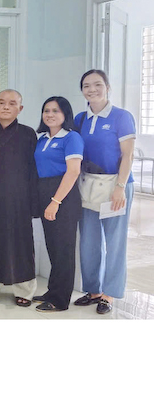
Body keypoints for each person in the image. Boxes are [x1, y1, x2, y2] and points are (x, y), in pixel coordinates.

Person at [74, 69, 136, 314]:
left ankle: (108, 294)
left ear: (107, 87)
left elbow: (128, 155)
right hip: (88, 185)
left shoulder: (121, 117)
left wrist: (120, 187)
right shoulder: (80, 119)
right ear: (82, 91)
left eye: (97, 84)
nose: (92, 89)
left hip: (115, 185)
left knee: (114, 242)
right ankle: (93, 291)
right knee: (89, 242)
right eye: (86, 86)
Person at [0, 89, 39, 307]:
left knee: (22, 243)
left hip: (20, 198)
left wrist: (34, 202)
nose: (5, 107)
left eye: (12, 103)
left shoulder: (28, 134)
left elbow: (33, 170)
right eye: (1, 103)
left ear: (20, 108)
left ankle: (25, 290)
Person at [32, 96, 83, 312]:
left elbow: (73, 172)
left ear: (65, 114)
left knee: (63, 249)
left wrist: (55, 202)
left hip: (63, 196)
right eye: (46, 110)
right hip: (45, 192)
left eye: (55, 111)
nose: (50, 114)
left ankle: (60, 300)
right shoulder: (42, 139)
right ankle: (52, 291)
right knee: (52, 246)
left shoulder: (71, 138)